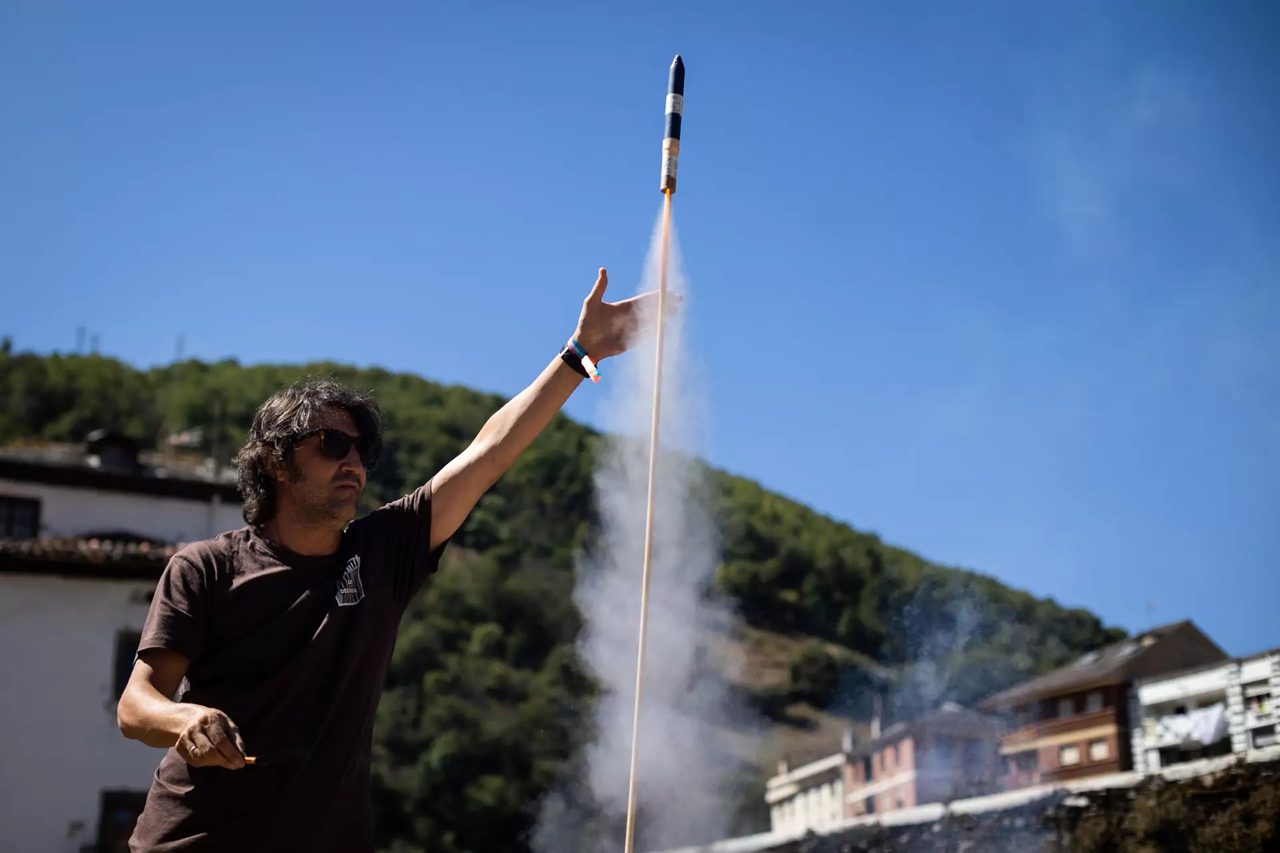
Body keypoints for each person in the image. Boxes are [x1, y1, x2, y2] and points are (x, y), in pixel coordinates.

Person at [116, 269, 675, 852]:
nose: (354, 463)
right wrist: (185, 721)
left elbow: (488, 455)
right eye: (333, 445)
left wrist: (580, 354)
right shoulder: (206, 567)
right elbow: (136, 706)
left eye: (364, 451)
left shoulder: (383, 553)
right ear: (276, 463)